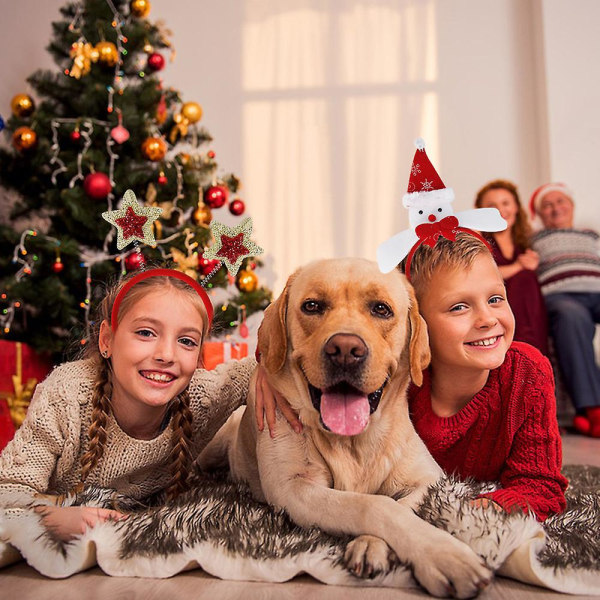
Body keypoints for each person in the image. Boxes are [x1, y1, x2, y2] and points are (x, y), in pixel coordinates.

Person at [0, 268, 297, 542]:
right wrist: (52, 519)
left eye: (187, 341)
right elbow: (7, 494)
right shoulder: (66, 395)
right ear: (107, 340)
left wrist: (266, 372)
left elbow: (262, 359)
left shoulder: (201, 397)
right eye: (145, 333)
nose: (166, 354)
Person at [404, 233, 567, 521]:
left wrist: (484, 510)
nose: (488, 319)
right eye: (459, 307)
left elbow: (540, 485)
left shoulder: (527, 373)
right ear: (417, 324)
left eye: (495, 299)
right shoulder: (399, 380)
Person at [529, 182, 600, 437]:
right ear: (539, 215)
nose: (555, 208)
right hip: (561, 296)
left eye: (560, 202)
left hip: (596, 289)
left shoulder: (591, 234)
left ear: (571, 206)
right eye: (547, 205)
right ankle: (591, 410)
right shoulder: (533, 239)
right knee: (572, 317)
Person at [475, 179, 548, 355]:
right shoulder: (477, 242)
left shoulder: (527, 242)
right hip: (495, 312)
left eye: (506, 203)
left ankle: (534, 355)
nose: (501, 210)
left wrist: (533, 265)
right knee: (524, 277)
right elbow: (481, 277)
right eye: (492, 205)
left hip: (531, 317)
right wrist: (518, 266)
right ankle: (521, 352)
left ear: (516, 207)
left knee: (528, 279)